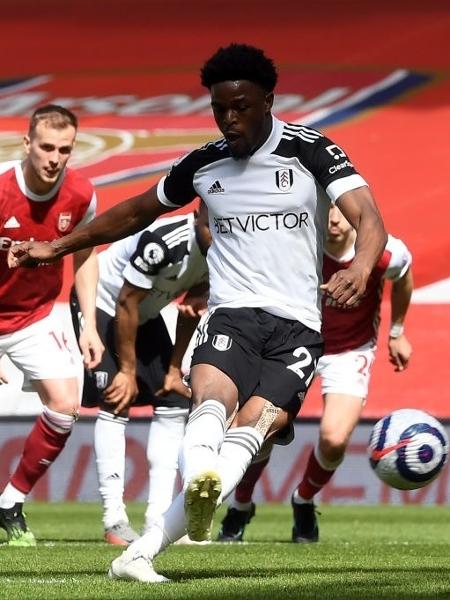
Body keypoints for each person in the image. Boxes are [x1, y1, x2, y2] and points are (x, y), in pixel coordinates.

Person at [9, 43, 387, 581]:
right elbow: (137, 210)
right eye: (220, 109)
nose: (230, 119)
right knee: (213, 400)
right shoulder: (204, 164)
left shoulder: (312, 151)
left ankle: (137, 554)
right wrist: (60, 246)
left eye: (242, 107)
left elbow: (369, 217)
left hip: (298, 326)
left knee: (253, 429)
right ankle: (195, 489)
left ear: (268, 101)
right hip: (231, 311)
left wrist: (361, 267)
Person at [218, 205, 413, 543]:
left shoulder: (385, 253)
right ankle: (241, 506)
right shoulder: (298, 244)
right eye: (328, 210)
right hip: (295, 344)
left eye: (342, 210)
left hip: (350, 350)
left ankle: (303, 499)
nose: (335, 219)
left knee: (335, 439)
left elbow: (403, 277)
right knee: (260, 428)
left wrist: (397, 331)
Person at [70, 207, 210, 545]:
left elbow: (191, 309)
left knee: (173, 398)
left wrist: (175, 369)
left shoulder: (228, 248)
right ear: (198, 215)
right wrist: (129, 372)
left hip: (144, 312)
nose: (219, 231)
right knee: (117, 398)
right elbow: (126, 302)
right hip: (105, 302)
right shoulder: (165, 242)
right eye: (212, 224)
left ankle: (158, 519)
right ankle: (114, 519)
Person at [0, 104, 103, 546]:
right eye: (46, 147)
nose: (54, 157)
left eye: (64, 149)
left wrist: (89, 325)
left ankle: (9, 504)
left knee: (65, 404)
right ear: (27, 144)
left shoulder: (81, 194)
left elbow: (85, 254)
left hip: (36, 314)